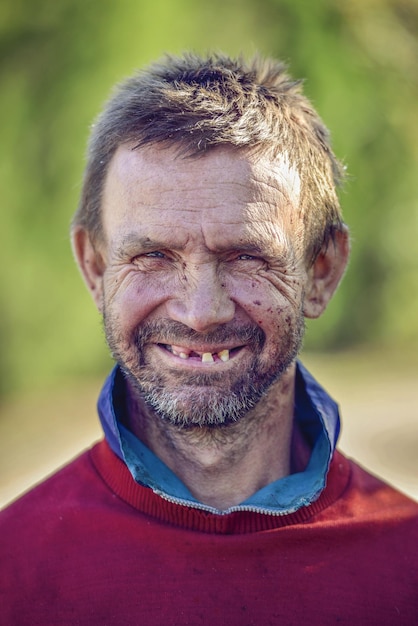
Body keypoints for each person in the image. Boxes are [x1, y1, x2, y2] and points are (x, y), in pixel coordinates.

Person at [1, 52, 417, 625]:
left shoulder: (407, 566)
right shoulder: (12, 572)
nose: (200, 313)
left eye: (246, 256)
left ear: (321, 270)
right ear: (95, 269)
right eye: (152, 256)